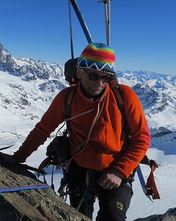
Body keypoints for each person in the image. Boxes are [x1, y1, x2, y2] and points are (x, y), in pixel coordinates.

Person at [11, 42, 151, 220]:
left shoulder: (124, 96)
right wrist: (17, 158)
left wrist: (119, 171)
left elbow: (142, 138)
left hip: (116, 168)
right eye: (93, 76)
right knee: (78, 216)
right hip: (79, 169)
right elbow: (42, 130)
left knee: (112, 217)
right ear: (79, 73)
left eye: (105, 77)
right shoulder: (67, 98)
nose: (100, 83)